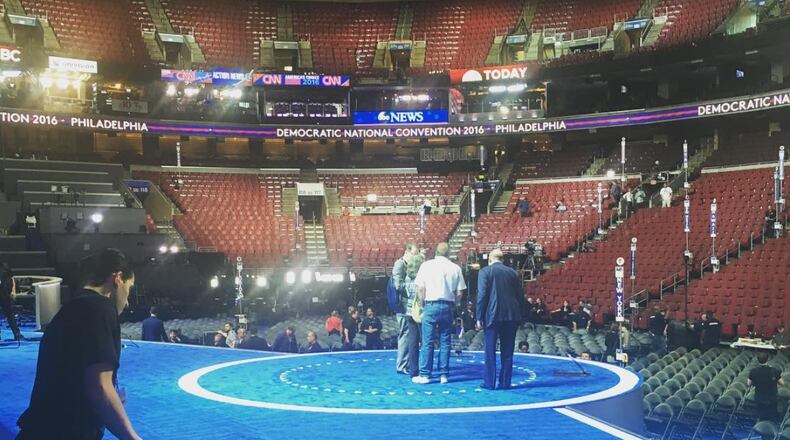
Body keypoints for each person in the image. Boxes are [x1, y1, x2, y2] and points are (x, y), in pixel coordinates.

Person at [17, 248, 141, 440]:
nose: (127, 302)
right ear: (117, 278)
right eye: (129, 288)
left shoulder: (74, 308)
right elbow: (100, 387)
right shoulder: (100, 309)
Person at [412, 243, 466, 385]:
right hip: (448, 307)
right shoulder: (456, 268)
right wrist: (454, 304)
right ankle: (444, 375)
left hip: (430, 305)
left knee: (427, 341)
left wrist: (423, 303)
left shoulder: (426, 266)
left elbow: (420, 288)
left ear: (435, 252)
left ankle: (425, 375)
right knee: (445, 341)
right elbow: (460, 292)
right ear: (449, 254)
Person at [476, 249, 526, 390]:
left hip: (492, 316)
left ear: (490, 259)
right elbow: (520, 297)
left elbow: (482, 295)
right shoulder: (513, 273)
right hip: (511, 315)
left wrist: (479, 317)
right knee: (508, 352)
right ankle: (505, 383)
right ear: (502, 260)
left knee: (490, 351)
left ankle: (489, 383)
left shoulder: (485, 271)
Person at [394, 242, 418, 374]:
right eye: (415, 253)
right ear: (407, 252)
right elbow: (398, 285)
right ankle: (402, 365)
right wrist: (411, 286)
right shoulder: (400, 264)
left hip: (407, 305)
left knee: (409, 334)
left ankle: (405, 363)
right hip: (403, 306)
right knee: (405, 334)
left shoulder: (407, 265)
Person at [401, 252, 424, 377]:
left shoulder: (407, 278)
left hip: (409, 312)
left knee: (413, 342)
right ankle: (425, 368)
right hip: (419, 312)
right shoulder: (421, 277)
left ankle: (413, 370)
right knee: (425, 341)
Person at [748, 352, 785, 422]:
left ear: (758, 359)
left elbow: (749, 383)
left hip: (759, 397)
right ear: (767, 359)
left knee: (761, 415)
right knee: (771, 417)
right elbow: (782, 383)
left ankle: (760, 426)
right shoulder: (773, 370)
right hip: (771, 398)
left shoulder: (753, 371)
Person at [0, 262, 22, 341]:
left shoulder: (4, 266)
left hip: (5, 294)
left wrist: (13, 291)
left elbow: (12, 278)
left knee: (10, 315)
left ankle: (17, 334)